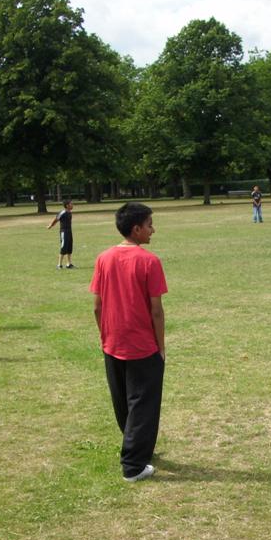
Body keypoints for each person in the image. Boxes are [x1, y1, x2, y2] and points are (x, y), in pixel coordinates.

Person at [90, 202, 167, 482]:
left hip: (112, 341)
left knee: (123, 399)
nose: (152, 230)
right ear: (136, 229)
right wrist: (160, 346)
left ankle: (136, 446)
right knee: (143, 402)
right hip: (141, 344)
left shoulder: (103, 258)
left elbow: (97, 307)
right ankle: (133, 465)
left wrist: (104, 335)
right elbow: (156, 310)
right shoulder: (149, 261)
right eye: (149, 224)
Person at [47, 200, 75, 269]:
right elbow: (56, 219)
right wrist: (50, 226)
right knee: (63, 247)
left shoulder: (70, 212)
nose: (72, 205)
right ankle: (59, 265)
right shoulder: (63, 212)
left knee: (69, 247)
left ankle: (69, 264)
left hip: (69, 231)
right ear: (67, 205)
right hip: (64, 232)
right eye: (71, 204)